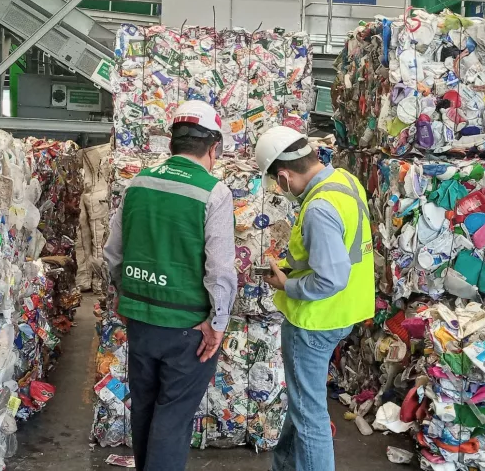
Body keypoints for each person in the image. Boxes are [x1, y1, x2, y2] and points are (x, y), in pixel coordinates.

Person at [103, 100, 236, 471]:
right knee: (173, 417)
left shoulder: (138, 183)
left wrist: (126, 297)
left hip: (141, 322)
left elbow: (112, 253)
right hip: (188, 327)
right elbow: (220, 269)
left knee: (144, 407)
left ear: (172, 141)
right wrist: (218, 323)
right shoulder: (214, 192)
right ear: (213, 148)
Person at [255, 126, 375, 471]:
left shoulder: (319, 208)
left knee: (310, 417)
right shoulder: (345, 181)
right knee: (303, 405)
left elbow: (329, 278)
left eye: (277, 183)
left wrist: (287, 285)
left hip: (314, 321)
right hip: (343, 312)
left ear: (284, 176)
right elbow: (340, 253)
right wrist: (291, 270)